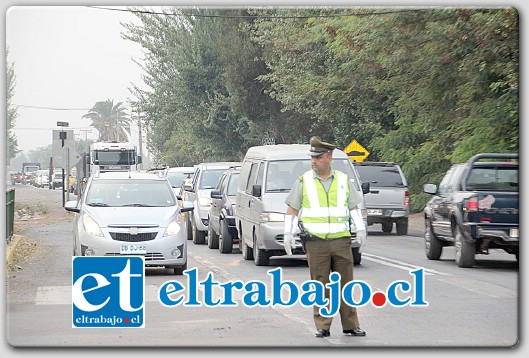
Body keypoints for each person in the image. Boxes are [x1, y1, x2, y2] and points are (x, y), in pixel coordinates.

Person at [284, 136, 367, 338]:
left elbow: (353, 206)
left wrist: (360, 227)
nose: (314, 161)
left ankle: (350, 324)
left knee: (346, 283)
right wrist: (288, 232)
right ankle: (323, 325)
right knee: (320, 284)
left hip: (341, 241)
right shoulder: (304, 181)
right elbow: (292, 209)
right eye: (312, 157)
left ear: (329, 157)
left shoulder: (343, 180)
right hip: (316, 242)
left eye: (318, 157)